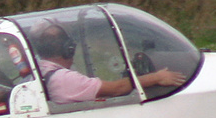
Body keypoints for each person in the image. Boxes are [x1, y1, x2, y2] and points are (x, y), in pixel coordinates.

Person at [34, 24, 185, 103]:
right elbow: (116, 89)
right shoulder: (63, 79)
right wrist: (157, 77)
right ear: (69, 49)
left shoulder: (37, 72)